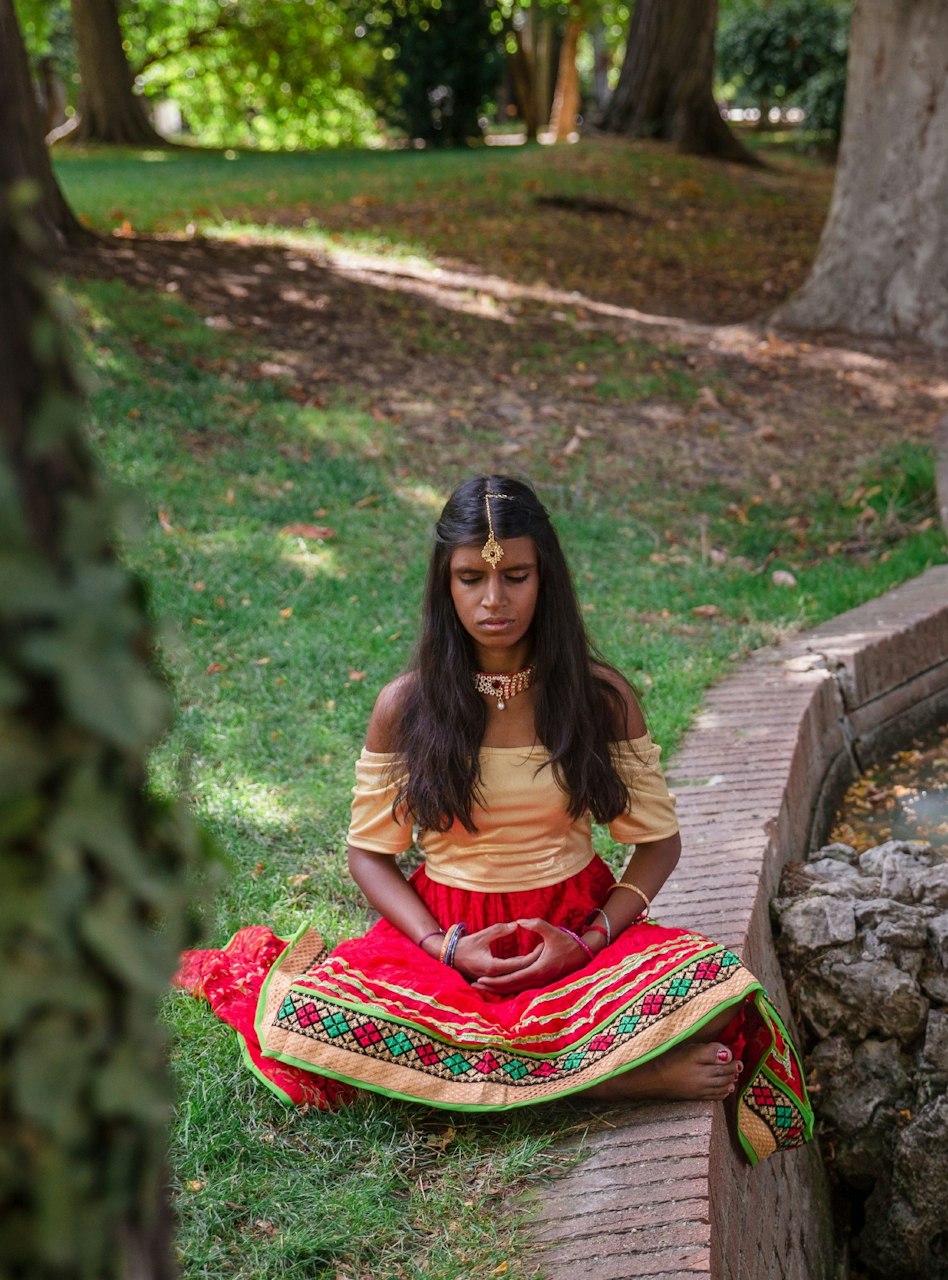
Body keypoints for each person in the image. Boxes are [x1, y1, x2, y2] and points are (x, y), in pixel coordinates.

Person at [175, 475, 810, 1163]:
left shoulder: (600, 698)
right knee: (316, 1027)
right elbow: (369, 855)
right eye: (471, 577)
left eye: (515, 576)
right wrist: (446, 949)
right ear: (445, 585)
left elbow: (658, 845)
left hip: (571, 924)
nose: (493, 599)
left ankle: (517, 1072)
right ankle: (606, 1080)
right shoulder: (406, 706)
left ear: (546, 579)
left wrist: (590, 939)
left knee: (712, 987)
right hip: (446, 936)